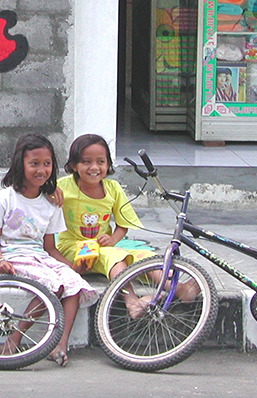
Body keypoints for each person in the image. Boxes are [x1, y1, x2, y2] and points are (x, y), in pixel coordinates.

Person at [0, 133, 97, 367]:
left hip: (41, 257)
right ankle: (15, 337)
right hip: (15, 258)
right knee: (54, 286)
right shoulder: (4, 198)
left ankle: (59, 344)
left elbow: (49, 248)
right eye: (34, 164)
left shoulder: (51, 202)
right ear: (20, 164)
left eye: (47, 164)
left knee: (72, 284)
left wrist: (71, 268)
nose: (41, 170)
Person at [55, 133, 197, 319]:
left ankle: (178, 288)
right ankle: (131, 301)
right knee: (114, 256)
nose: (94, 167)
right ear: (74, 165)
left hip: (101, 246)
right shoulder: (61, 187)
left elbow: (123, 225)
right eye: (86, 162)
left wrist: (112, 238)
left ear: (108, 164)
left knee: (143, 257)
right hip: (72, 249)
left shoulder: (112, 188)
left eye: (101, 161)